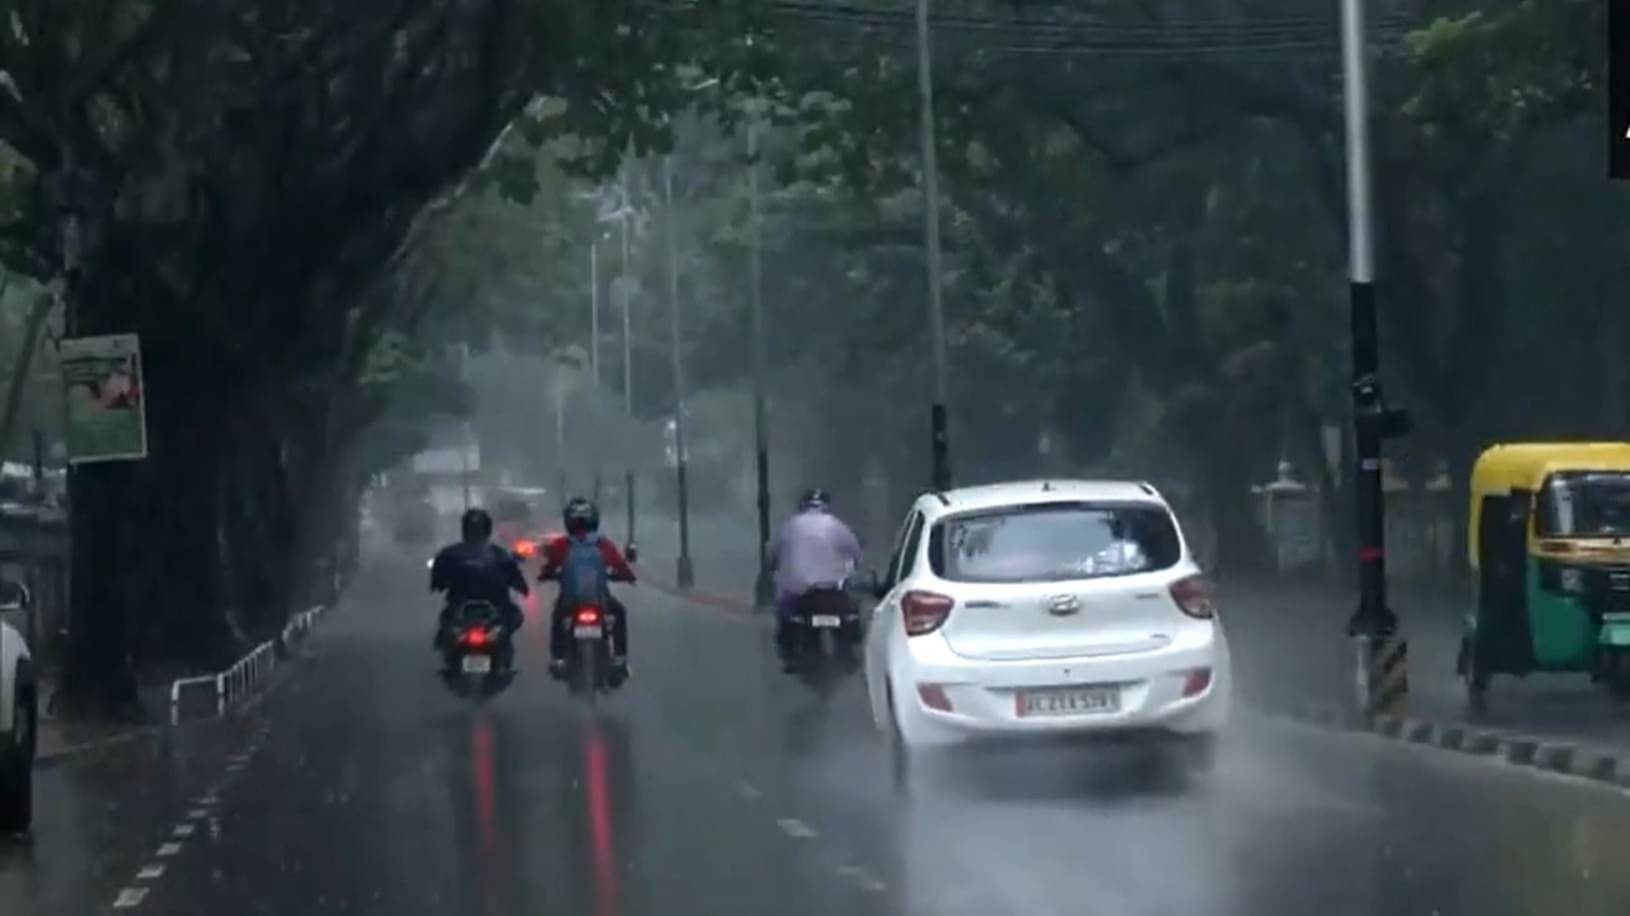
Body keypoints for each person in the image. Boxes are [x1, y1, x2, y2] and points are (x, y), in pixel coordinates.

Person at [538, 497, 636, 681]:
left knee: (558, 617)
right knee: (619, 614)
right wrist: (628, 577)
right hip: (600, 599)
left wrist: (545, 575)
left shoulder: (562, 544)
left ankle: (558, 658)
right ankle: (620, 657)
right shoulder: (603, 544)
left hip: (569, 601)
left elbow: (549, 567)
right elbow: (620, 565)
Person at [769, 488, 864, 669]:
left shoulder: (790, 526)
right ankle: (848, 652)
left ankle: (789, 653)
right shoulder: (836, 525)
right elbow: (856, 552)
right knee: (851, 613)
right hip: (833, 590)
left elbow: (773, 554)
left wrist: (774, 568)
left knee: (785, 616)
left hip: (798, 591)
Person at [429, 508, 530, 657]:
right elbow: (516, 578)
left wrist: (438, 585)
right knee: (513, 617)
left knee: (447, 619)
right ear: (487, 528)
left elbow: (437, 580)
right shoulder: (499, 553)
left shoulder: (450, 553)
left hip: (464, 605)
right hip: (493, 605)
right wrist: (522, 588)